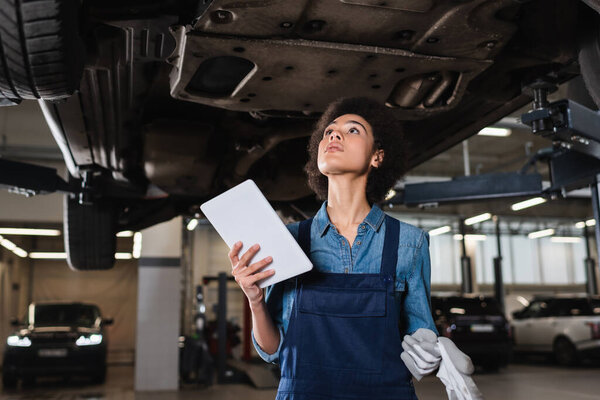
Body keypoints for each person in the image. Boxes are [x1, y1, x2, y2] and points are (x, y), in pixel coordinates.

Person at [229, 96, 439, 399]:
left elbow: (422, 342)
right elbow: (272, 351)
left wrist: (436, 354)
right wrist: (255, 300)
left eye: (352, 130)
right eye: (328, 131)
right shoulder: (288, 240)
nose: (334, 135)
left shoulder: (409, 242)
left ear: (377, 157)